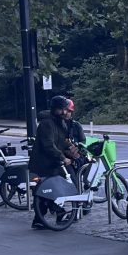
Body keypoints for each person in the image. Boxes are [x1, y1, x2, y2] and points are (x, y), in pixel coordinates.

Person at [29, 96, 84, 229]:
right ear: (55, 109)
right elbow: (48, 145)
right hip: (43, 164)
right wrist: (63, 157)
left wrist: (70, 151)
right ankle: (50, 216)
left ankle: (49, 217)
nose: (65, 112)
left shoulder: (61, 123)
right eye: (62, 110)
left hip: (53, 163)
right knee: (44, 191)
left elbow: (61, 142)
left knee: (54, 189)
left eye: (65, 109)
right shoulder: (46, 124)